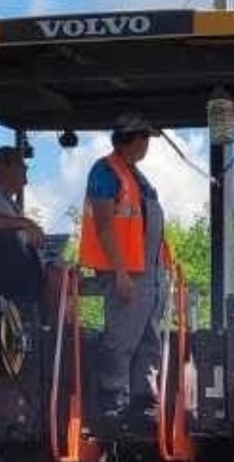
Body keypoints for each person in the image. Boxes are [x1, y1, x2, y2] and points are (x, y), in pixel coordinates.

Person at [77, 113, 166, 422]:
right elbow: (104, 226)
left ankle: (143, 401)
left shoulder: (136, 176)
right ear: (135, 139)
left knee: (148, 338)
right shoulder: (105, 172)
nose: (147, 146)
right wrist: (120, 272)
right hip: (127, 274)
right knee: (121, 337)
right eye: (145, 140)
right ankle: (112, 401)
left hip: (151, 274)